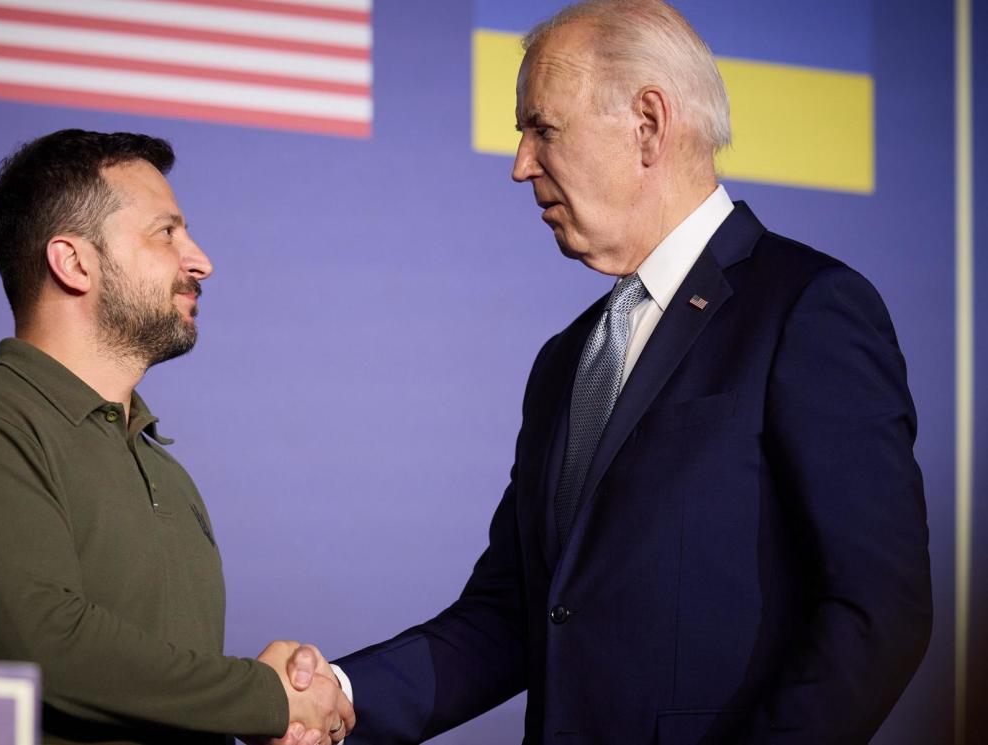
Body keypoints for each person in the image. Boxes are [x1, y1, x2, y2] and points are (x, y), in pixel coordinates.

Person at [316, 1, 934, 742]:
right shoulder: (565, 360)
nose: (520, 165)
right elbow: (515, 614)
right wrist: (338, 694)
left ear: (647, 124)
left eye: (541, 128)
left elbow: (877, 611)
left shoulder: (808, 310)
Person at [0, 129, 353, 745]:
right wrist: (265, 698)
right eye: (167, 233)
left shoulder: (164, 470)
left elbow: (159, 704)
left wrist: (272, 723)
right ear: (74, 262)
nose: (200, 260)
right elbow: (50, 652)